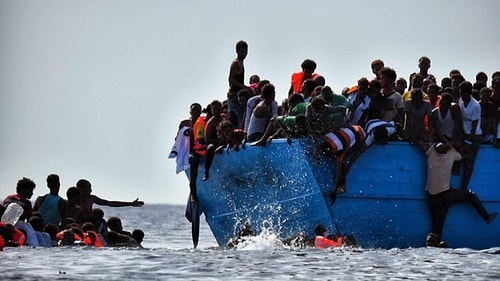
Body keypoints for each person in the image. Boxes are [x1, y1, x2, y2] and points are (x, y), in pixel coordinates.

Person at [424, 142, 497, 243]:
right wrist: (453, 147)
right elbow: (461, 157)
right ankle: (486, 217)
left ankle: (433, 248)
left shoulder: (430, 152)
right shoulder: (451, 155)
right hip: (445, 195)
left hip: (431, 198)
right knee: (469, 194)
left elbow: (426, 146)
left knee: (437, 228)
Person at [76, 179, 144, 221]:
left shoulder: (91, 198)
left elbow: (109, 203)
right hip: (79, 223)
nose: (91, 190)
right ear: (81, 189)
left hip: (91, 223)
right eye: (88, 188)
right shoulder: (74, 200)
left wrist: (130, 203)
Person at [458, 81, 482, 189]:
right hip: (464, 133)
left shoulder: (475, 106)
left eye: (464, 93)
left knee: (469, 161)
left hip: (474, 135)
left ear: (469, 93)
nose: (462, 96)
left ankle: (464, 187)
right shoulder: (461, 101)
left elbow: (474, 126)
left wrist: (468, 142)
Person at [227, 40, 252, 128]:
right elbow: (231, 79)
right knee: (240, 115)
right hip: (234, 95)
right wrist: (243, 87)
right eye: (242, 52)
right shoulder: (236, 63)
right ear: (237, 51)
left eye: (245, 52)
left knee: (240, 115)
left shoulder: (241, 62)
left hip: (238, 93)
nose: (244, 54)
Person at [202, 100, 225, 181]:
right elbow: (207, 139)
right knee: (210, 148)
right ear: (211, 111)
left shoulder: (224, 117)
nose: (216, 112)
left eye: (218, 109)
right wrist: (218, 142)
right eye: (214, 110)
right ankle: (206, 171)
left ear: (221, 109)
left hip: (226, 138)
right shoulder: (210, 123)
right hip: (215, 142)